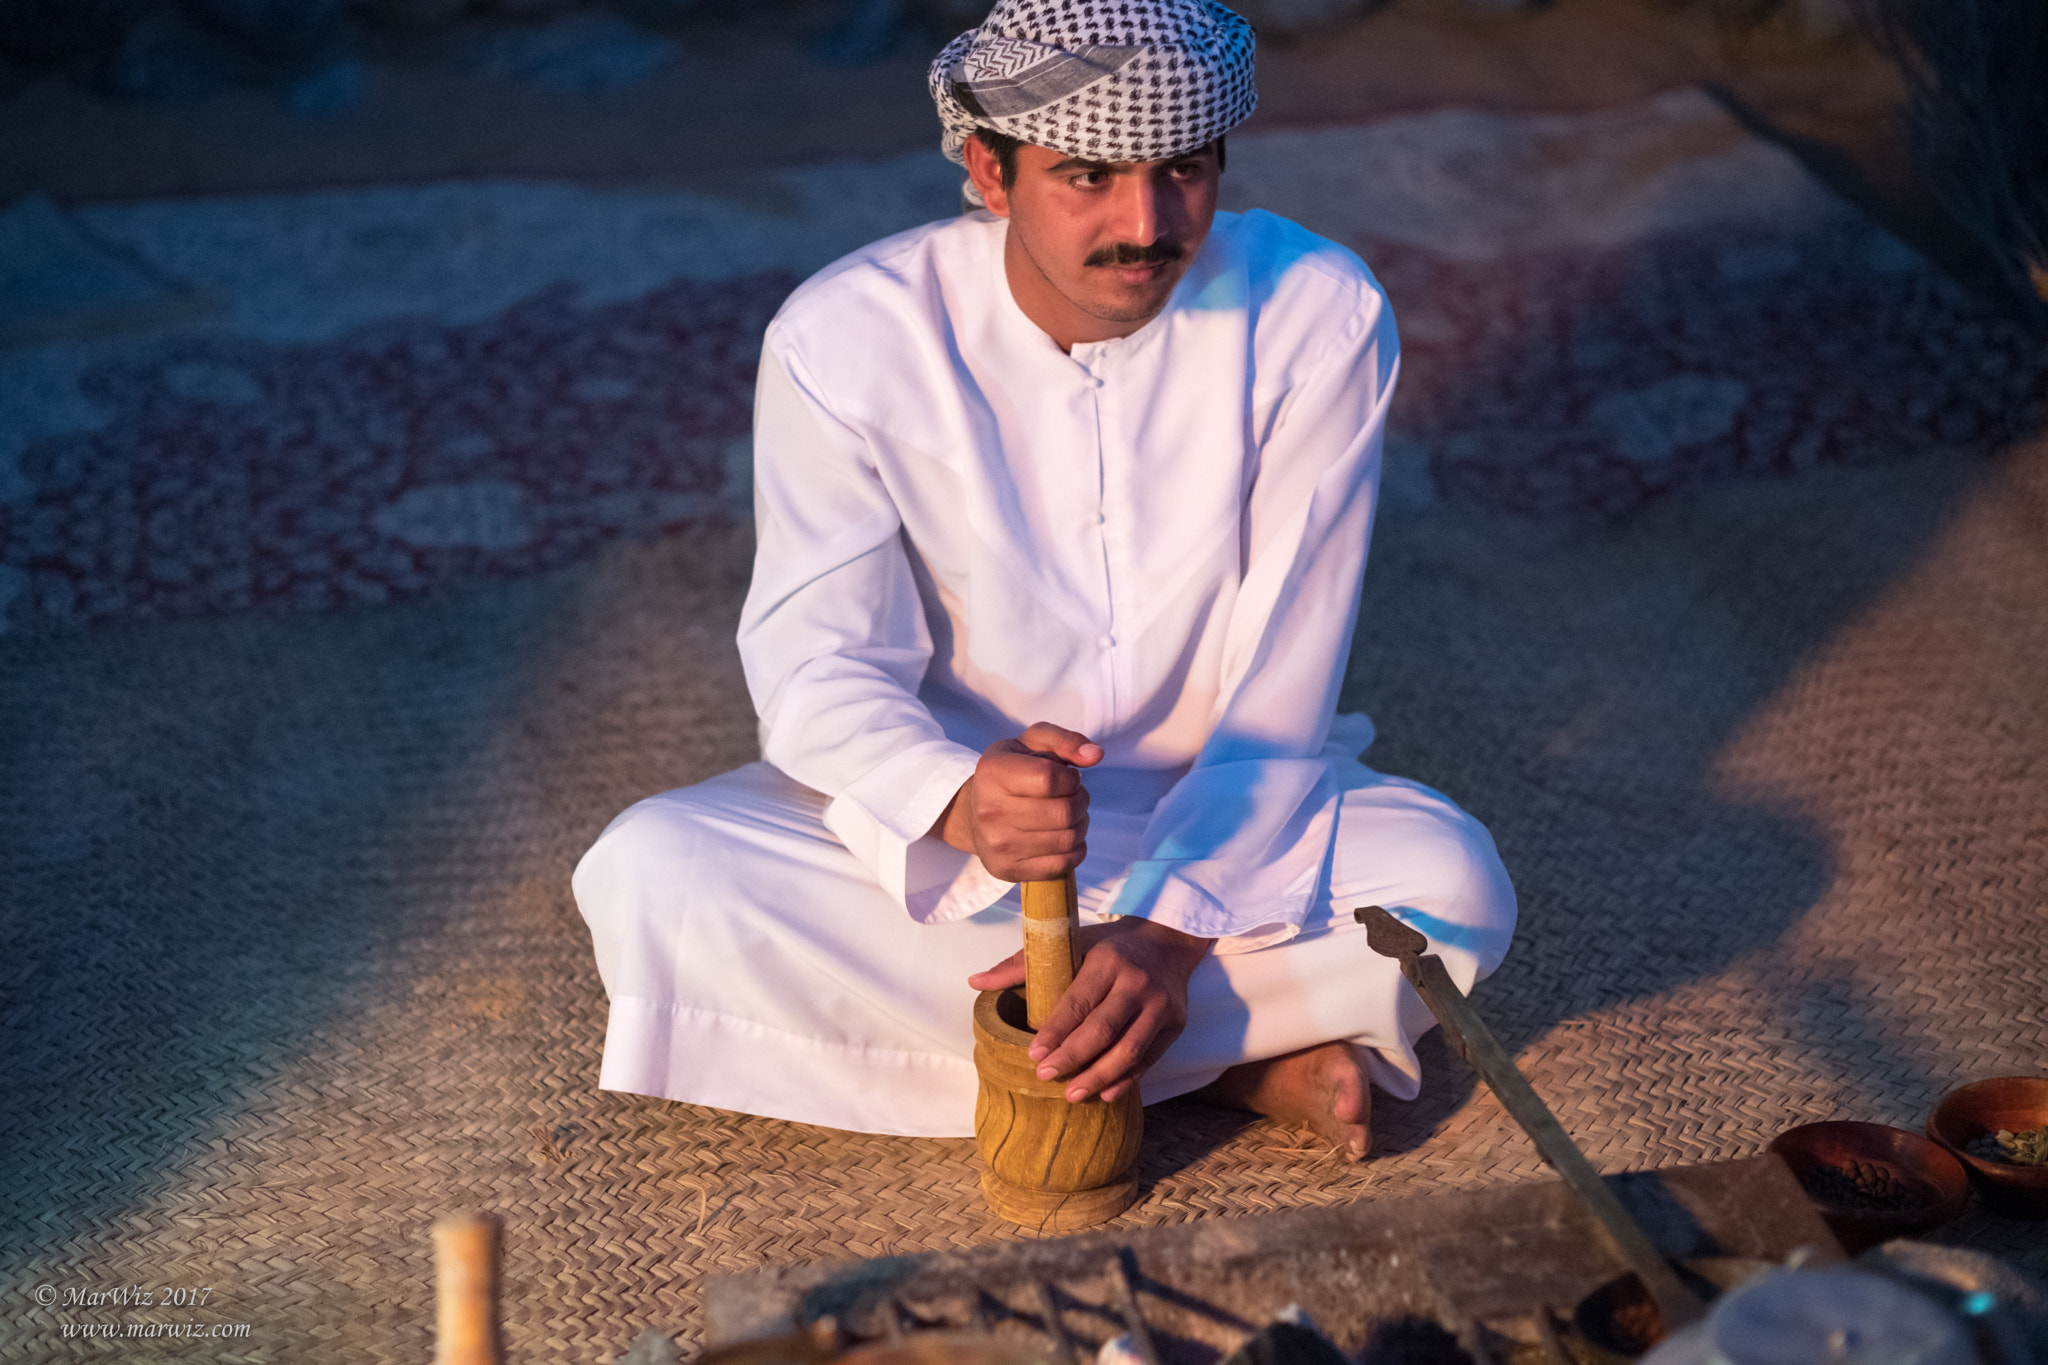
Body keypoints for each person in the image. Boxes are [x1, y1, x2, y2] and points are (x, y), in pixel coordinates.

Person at [573, 0, 1516, 1160]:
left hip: (1225, 807)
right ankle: (1226, 1065)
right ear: (988, 169)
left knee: (1450, 885)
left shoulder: (1315, 311)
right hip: (972, 831)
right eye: (1086, 176)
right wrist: (955, 796)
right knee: (653, 875)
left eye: (1180, 171)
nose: (1145, 223)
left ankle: (1095, 1037)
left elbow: (1286, 670)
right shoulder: (846, 340)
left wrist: (1166, 934)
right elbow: (818, 660)